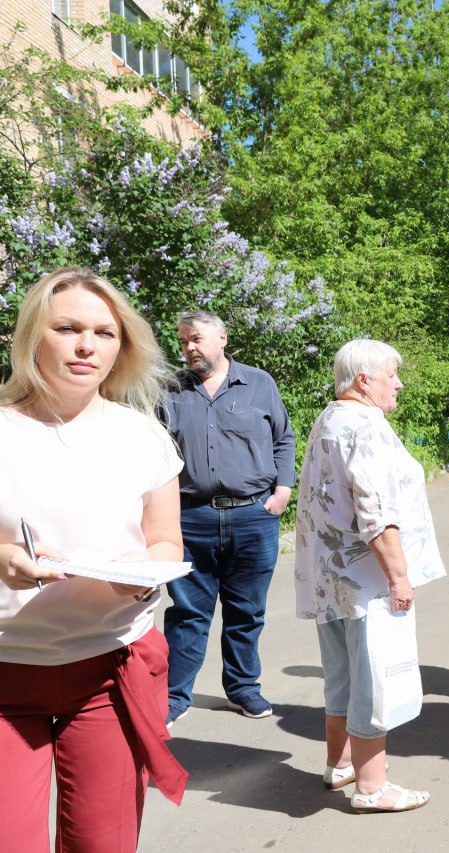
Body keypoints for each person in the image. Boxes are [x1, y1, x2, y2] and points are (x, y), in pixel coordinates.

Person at [0, 268, 188, 850]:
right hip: (6, 670)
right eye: (68, 328)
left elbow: (166, 543)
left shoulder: (143, 435)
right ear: (34, 335)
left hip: (108, 672)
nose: (87, 345)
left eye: (104, 333)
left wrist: (140, 579)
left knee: (102, 844)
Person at [294, 338, 444, 813]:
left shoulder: (329, 417)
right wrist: (399, 578)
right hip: (367, 580)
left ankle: (339, 764)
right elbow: (376, 511)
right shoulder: (366, 425)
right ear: (364, 380)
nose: (398, 383)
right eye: (391, 375)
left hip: (332, 579)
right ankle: (372, 787)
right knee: (375, 678)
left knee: (341, 674)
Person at [162, 311, 296, 725]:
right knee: (187, 613)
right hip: (190, 519)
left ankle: (242, 688)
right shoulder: (169, 389)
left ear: (221, 338)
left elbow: (284, 437)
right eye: (183, 341)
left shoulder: (259, 383)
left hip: (253, 517)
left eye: (196, 339)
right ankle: (173, 697)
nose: (189, 348)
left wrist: (282, 492)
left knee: (246, 611)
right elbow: (153, 451)